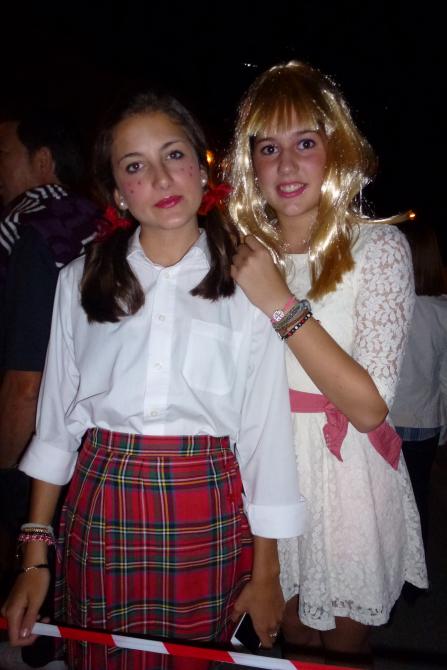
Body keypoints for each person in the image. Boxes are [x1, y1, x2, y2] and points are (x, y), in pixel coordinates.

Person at [1, 91, 307, 670]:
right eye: (135, 165)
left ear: (203, 166)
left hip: (208, 510)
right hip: (101, 507)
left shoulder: (249, 283)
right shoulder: (78, 281)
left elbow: (265, 438)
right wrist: (34, 560)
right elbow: (57, 428)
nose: (162, 178)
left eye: (174, 154)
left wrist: (267, 574)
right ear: (117, 191)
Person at [225, 60, 428, 662]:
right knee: (286, 640)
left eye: (305, 143)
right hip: (266, 468)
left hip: (347, 477)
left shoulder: (379, 248)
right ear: (251, 164)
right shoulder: (242, 257)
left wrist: (279, 303)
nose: (286, 165)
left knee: (339, 651)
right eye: (269, 148)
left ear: (336, 149)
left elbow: (368, 408)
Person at [0, 109, 99, 670]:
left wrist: (6, 475)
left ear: (43, 160)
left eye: (3, 155)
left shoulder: (27, 228)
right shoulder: (105, 223)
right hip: (94, 445)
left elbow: (24, 375)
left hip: (39, 440)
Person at [390, 222, 447, 549]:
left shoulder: (387, 306)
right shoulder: (441, 310)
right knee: (419, 499)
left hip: (386, 421)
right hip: (426, 421)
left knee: (389, 504)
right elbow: (444, 376)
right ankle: (417, 570)